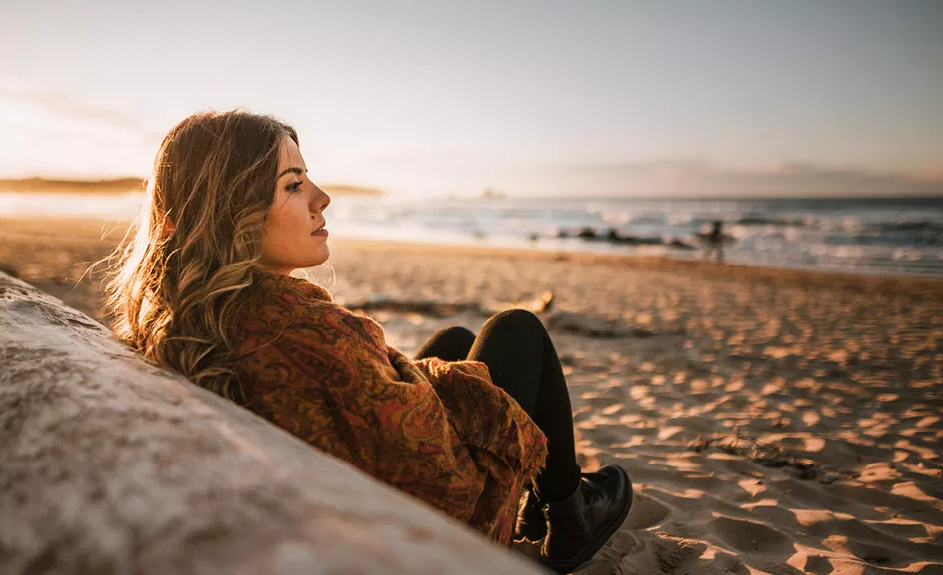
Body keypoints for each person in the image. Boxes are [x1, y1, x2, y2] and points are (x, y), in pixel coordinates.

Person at [104, 110, 632, 573]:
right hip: (426, 532)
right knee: (517, 330)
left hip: (337, 493)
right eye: (293, 185)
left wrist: (441, 378)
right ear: (229, 215)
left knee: (453, 340)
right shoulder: (291, 326)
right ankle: (569, 514)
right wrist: (458, 390)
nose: (321, 198)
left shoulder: (205, 312)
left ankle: (549, 500)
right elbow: (433, 471)